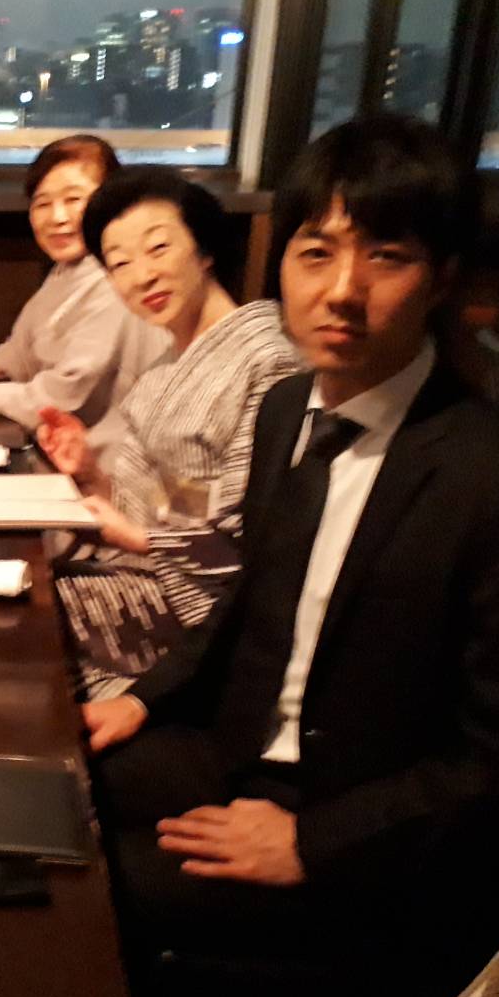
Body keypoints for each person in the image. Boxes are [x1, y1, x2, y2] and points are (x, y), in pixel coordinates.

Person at [82, 115, 499, 997]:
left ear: (442, 278)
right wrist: (144, 698)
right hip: (239, 751)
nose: (341, 290)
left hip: (360, 824)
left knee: (81, 892)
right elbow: (250, 593)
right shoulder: (285, 409)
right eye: (316, 252)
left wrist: (315, 842)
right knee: (50, 778)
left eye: (385, 256)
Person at [35, 168, 302, 699]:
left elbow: (259, 525)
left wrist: (139, 539)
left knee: (24, 620)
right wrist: (92, 474)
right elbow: (181, 499)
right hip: (146, 577)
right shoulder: (165, 369)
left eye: (158, 248)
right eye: (120, 264)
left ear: (204, 251)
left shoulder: (269, 359)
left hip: (206, 615)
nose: (142, 276)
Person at [0, 135, 169, 431]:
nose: (57, 217)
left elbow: (60, 400)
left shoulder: (117, 281)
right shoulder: (69, 269)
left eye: (73, 200)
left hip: (113, 453)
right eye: (43, 203)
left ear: (112, 202)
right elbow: (24, 350)